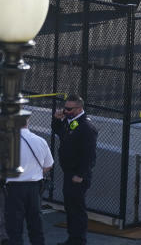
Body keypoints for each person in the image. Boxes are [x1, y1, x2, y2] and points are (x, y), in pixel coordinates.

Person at [0, 119, 54, 245]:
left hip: (14, 188)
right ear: (27, 122)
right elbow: (48, 165)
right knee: (36, 225)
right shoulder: (40, 141)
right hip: (35, 188)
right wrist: (35, 173)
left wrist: (3, 180)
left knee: (14, 228)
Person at [51, 95, 98, 245]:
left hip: (78, 175)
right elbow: (59, 132)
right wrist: (57, 119)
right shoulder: (72, 122)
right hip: (69, 173)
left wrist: (80, 175)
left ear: (79, 109)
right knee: (70, 207)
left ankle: (79, 240)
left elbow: (89, 155)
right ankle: (72, 239)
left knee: (77, 208)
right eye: (65, 107)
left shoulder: (86, 127)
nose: (65, 110)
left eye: (69, 109)